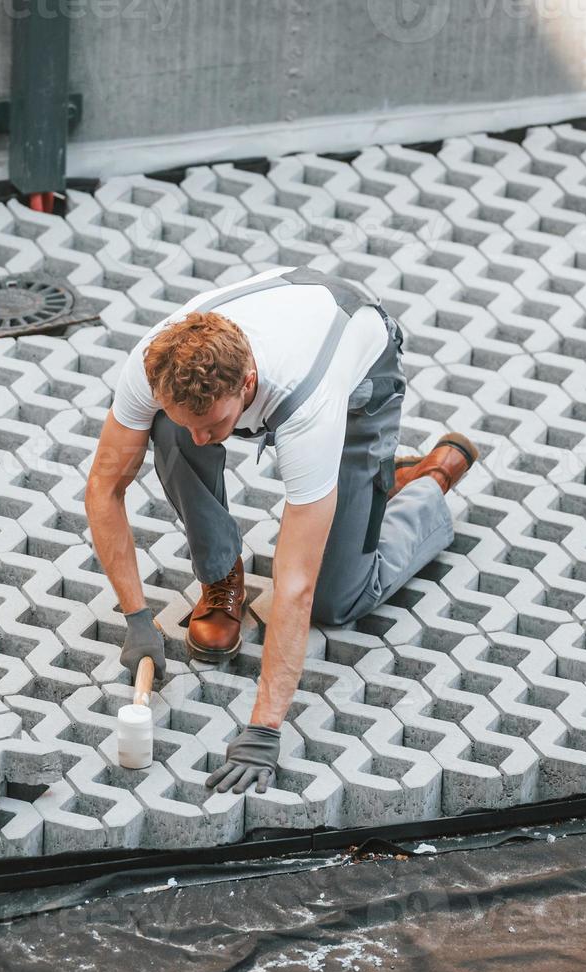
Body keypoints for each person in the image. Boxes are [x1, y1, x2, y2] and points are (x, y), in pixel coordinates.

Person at [84, 265, 479, 795]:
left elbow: (295, 586)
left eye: (216, 425)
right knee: (169, 433)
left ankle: (424, 482)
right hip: (291, 315)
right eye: (194, 421)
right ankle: (222, 582)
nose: (205, 441)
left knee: (337, 600)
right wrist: (136, 615)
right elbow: (105, 488)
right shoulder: (152, 366)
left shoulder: (306, 405)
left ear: (247, 385)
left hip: (361, 380)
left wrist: (264, 728)